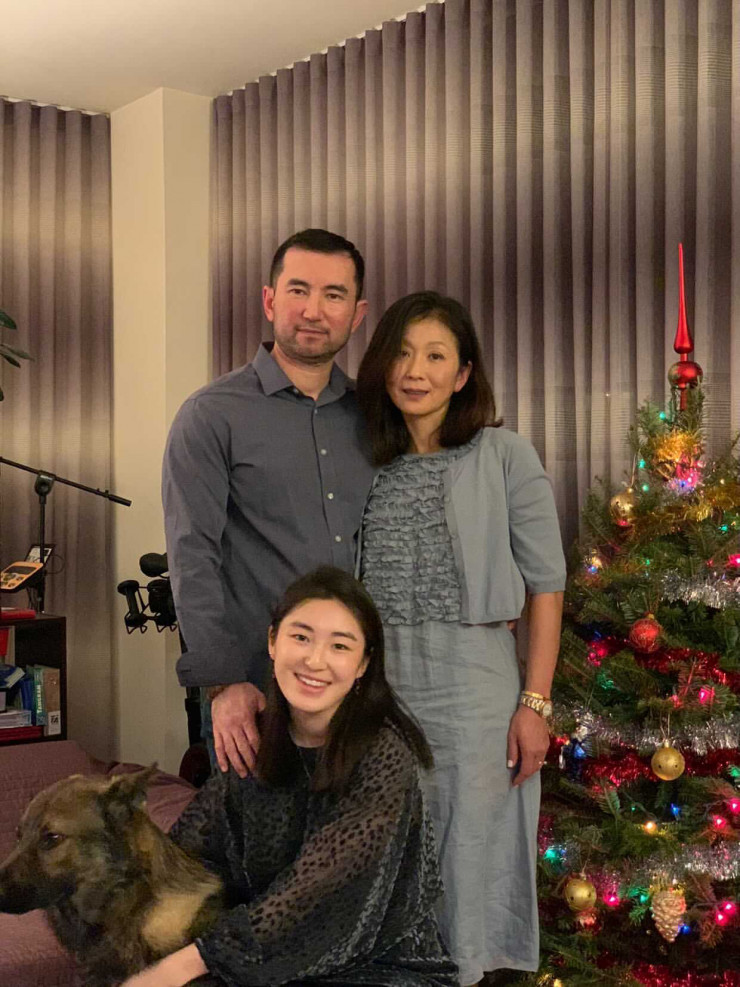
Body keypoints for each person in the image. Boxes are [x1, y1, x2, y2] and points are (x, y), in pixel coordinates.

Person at [355, 292, 566, 986]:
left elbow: (547, 586)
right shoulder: (364, 462)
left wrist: (534, 703)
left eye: (435, 355)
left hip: (476, 688)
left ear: (464, 372)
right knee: (386, 848)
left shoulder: (504, 454)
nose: (415, 370)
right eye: (401, 353)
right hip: (380, 689)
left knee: (469, 852)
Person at [120, 566, 459, 987]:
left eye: (340, 646)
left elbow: (317, 892)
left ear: (363, 664)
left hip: (377, 964)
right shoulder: (255, 739)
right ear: (272, 642)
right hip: (262, 956)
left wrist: (187, 963)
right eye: (301, 637)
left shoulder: (385, 755)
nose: (315, 660)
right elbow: (188, 855)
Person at [162, 229, 376, 777]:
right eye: (298, 289)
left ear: (356, 314)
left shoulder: (374, 417)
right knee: (255, 833)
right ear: (269, 300)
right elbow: (192, 556)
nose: (313, 310)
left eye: (333, 295)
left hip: (359, 690)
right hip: (256, 693)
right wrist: (222, 684)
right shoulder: (212, 415)